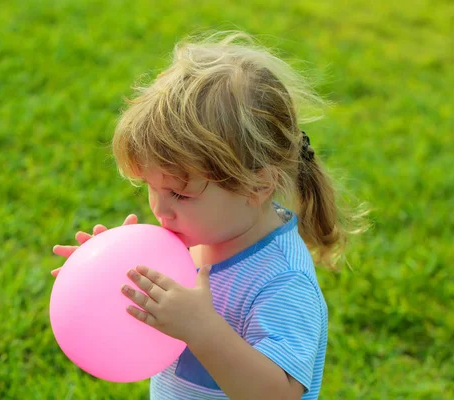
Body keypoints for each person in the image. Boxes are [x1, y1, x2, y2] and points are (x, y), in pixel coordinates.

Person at [51, 31, 365, 400]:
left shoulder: (282, 280)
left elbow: (279, 394)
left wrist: (202, 330)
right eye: (151, 187)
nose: (160, 209)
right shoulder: (198, 234)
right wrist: (106, 274)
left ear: (257, 186)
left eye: (180, 194)